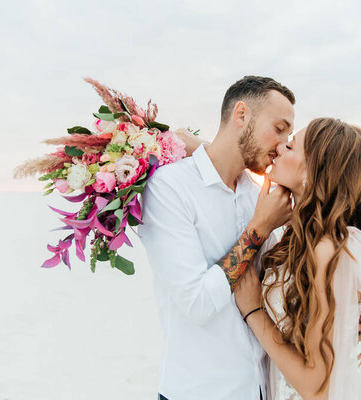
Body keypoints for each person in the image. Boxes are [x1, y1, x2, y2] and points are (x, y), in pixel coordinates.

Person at [138, 75, 296, 400]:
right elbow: (196, 303)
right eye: (279, 129)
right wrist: (258, 229)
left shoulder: (260, 197)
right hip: (197, 391)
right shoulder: (170, 188)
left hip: (260, 390)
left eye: (289, 136)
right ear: (242, 115)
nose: (282, 145)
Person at [234, 118, 361, 400]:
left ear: (313, 171)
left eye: (291, 146)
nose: (280, 148)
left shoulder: (330, 250)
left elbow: (315, 387)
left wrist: (253, 312)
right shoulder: (302, 237)